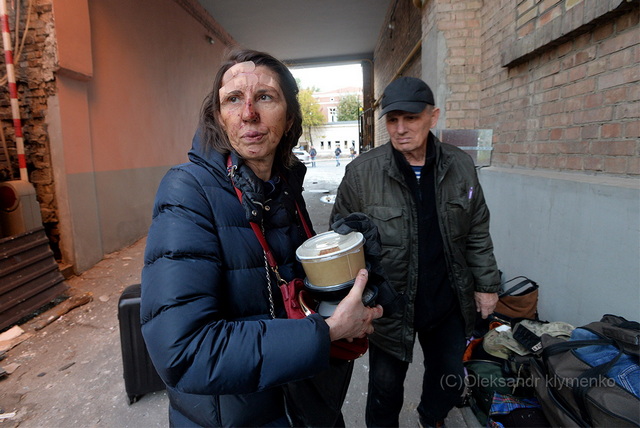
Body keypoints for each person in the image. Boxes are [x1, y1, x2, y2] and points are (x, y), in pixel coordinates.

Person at [141, 49, 383, 427]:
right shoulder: (188, 190)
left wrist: (354, 268)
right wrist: (328, 332)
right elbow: (183, 352)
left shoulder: (284, 186)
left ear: (288, 119)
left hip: (304, 404)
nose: (248, 113)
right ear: (219, 119)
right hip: (235, 417)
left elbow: (291, 288)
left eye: (265, 97)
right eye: (233, 99)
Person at [331, 76, 501, 428]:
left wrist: (486, 285)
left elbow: (476, 230)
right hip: (390, 308)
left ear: (433, 116)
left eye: (411, 118)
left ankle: (431, 417)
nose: (400, 129)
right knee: (384, 388)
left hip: (448, 300)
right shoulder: (362, 173)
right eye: (393, 120)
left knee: (448, 376)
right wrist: (353, 302)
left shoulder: (460, 166)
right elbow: (342, 241)